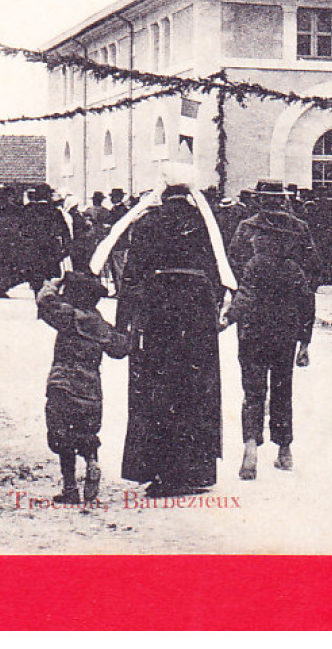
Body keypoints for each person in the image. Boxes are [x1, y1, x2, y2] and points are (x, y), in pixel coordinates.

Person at [113, 182, 235, 496]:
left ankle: (162, 471)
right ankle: (197, 471)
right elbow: (219, 270)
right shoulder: (205, 223)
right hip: (197, 316)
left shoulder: (148, 222)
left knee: (158, 387)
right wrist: (217, 310)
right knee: (197, 388)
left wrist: (122, 323)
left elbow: (131, 274)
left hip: (158, 314)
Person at [225, 181, 321, 476]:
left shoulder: (245, 228)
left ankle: (251, 446)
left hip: (252, 319)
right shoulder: (299, 229)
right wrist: (305, 338)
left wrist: (235, 306)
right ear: (283, 201)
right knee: (283, 386)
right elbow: (314, 272)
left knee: (252, 388)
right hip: (287, 321)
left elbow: (231, 267)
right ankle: (284, 449)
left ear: (258, 201)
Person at [37, 270, 131, 503]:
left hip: (63, 384)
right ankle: (91, 461)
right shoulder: (99, 325)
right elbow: (120, 349)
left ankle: (70, 488)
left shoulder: (68, 316)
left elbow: (44, 303)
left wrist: (52, 284)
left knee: (62, 437)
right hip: (90, 389)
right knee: (86, 432)